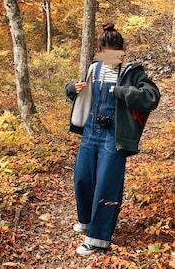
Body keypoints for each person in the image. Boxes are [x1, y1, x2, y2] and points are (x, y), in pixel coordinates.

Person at [65, 23, 161, 256]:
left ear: (121, 52)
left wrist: (122, 92)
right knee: (82, 178)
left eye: (115, 53)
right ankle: (87, 220)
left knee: (107, 185)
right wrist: (71, 88)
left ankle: (98, 238)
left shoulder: (132, 72)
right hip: (90, 131)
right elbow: (82, 95)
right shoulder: (94, 68)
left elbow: (152, 97)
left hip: (113, 136)